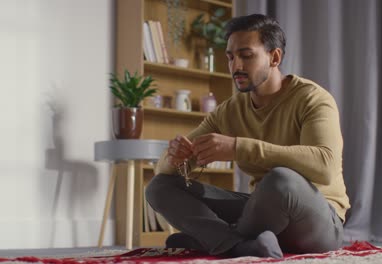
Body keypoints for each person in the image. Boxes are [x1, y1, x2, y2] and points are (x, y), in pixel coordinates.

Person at [145, 14, 350, 258]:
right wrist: (174, 157)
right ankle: (241, 245)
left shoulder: (313, 99)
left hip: (319, 220)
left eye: (246, 55)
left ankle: (216, 240)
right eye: (230, 57)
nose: (236, 66)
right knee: (159, 187)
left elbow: (325, 166)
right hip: (261, 212)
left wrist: (239, 148)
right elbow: (163, 170)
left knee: (281, 180)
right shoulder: (230, 110)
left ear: (275, 57)